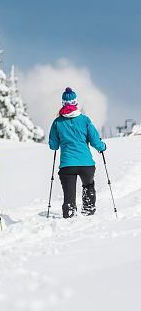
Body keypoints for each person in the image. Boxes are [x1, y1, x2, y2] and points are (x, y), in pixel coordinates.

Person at [49, 87, 106, 218]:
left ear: (63, 103)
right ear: (75, 103)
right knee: (88, 186)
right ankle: (88, 210)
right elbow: (95, 141)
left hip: (67, 165)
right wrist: (102, 147)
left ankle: (69, 214)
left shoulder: (57, 122)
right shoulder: (85, 120)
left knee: (69, 195)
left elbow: (53, 145)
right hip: (86, 164)